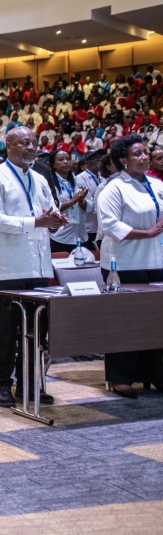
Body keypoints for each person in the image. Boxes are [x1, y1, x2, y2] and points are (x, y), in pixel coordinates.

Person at [0, 127, 68, 408]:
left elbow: (48, 209)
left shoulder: (40, 178)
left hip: (39, 265)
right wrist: (35, 223)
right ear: (9, 146)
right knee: (7, 332)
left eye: (34, 143)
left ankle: (29, 383)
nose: (32, 147)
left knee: (37, 332)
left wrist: (54, 219)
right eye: (24, 142)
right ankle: (1, 383)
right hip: (7, 266)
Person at [96, 134, 163, 397]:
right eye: (137, 153)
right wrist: (146, 233)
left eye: (146, 152)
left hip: (156, 261)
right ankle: (120, 377)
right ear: (123, 160)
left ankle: (154, 374)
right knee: (124, 322)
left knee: (154, 320)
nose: (144, 157)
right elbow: (109, 225)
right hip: (122, 264)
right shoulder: (113, 188)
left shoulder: (157, 185)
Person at [45, 149, 89, 252]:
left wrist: (82, 201)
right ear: (53, 165)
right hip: (60, 237)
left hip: (81, 235)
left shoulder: (79, 180)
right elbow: (49, 208)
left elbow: (90, 206)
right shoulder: (48, 183)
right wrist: (71, 202)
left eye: (68, 159)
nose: (66, 162)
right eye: (61, 160)